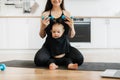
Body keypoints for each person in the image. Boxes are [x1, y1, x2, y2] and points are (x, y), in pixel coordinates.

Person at [34, 0, 84, 70]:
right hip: (49, 47)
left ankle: (55, 61)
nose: (56, 0)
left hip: (65, 47)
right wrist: (43, 26)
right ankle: (59, 61)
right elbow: (42, 36)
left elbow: (71, 35)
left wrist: (72, 26)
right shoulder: (45, 14)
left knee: (79, 59)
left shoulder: (67, 14)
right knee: (39, 59)